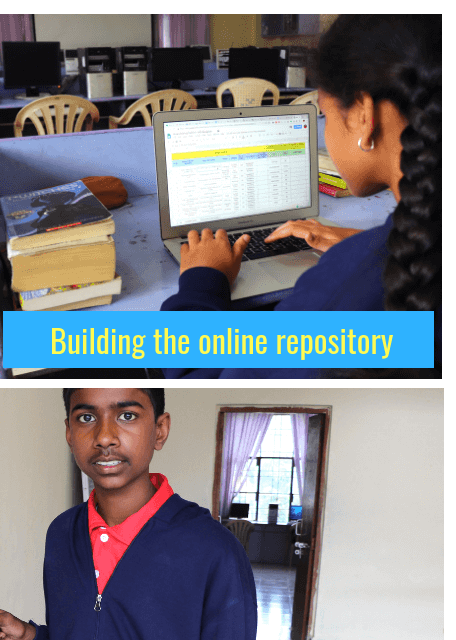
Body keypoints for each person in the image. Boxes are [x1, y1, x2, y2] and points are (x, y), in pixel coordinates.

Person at [160, 15, 440, 378]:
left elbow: (196, 382)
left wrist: (201, 280)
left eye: (323, 115)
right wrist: (366, 242)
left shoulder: (344, 288)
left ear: (363, 115)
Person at [0, 388, 257, 640]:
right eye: (86, 417)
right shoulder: (62, 534)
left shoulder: (215, 552)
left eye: (127, 415)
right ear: (69, 432)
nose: (105, 437)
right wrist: (28, 639)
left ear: (160, 430)